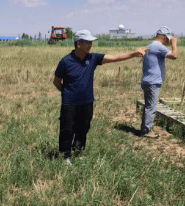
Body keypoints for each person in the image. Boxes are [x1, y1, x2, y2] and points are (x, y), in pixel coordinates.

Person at [53, 30, 148, 165]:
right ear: (78, 44)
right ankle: (65, 157)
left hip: (87, 102)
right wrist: (67, 93)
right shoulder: (65, 62)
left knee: (83, 128)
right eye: (87, 42)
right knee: (67, 130)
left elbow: (115, 57)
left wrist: (134, 53)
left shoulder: (93, 59)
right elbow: (56, 82)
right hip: (70, 103)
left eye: (91, 42)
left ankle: (78, 151)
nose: (90, 45)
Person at [140, 26, 178, 138]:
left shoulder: (151, 45)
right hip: (153, 82)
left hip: (148, 81)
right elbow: (174, 56)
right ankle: (146, 131)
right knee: (151, 107)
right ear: (165, 37)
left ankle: (145, 128)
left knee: (149, 106)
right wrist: (174, 44)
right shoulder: (158, 46)